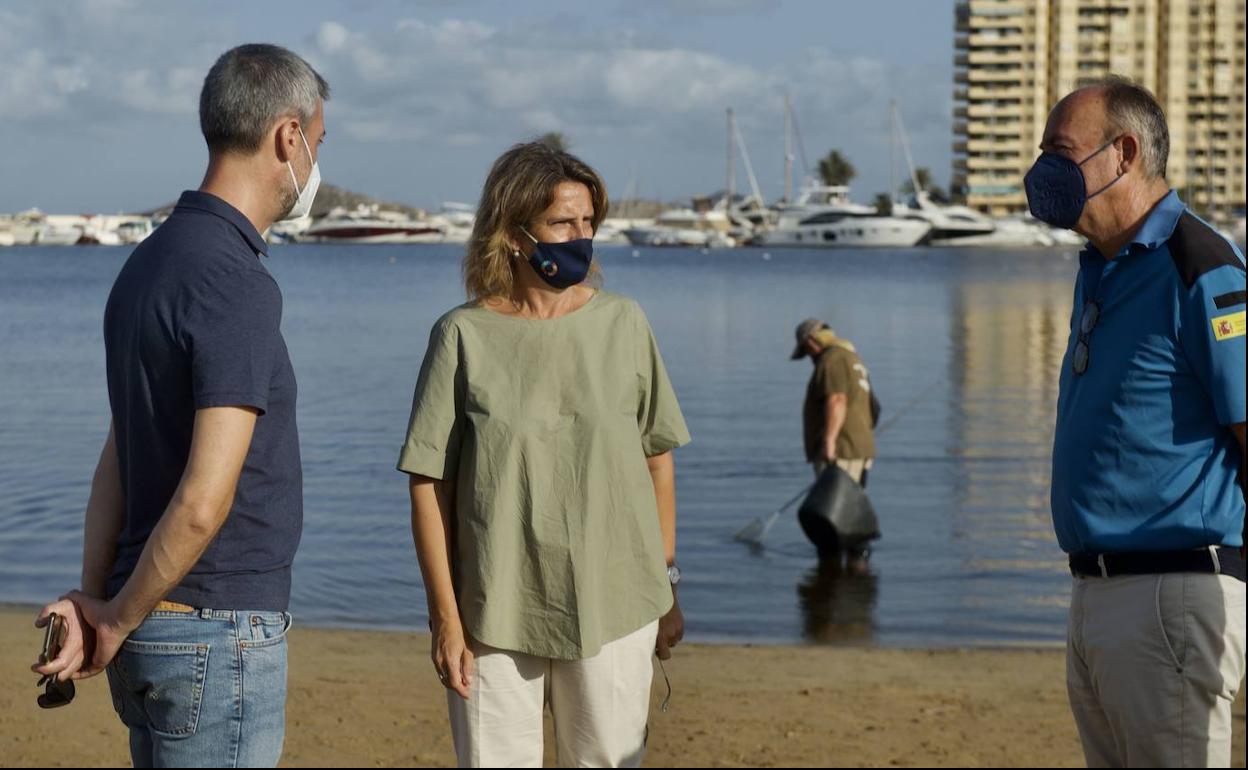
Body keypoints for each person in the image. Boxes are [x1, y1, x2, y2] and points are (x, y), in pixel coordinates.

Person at [30, 44, 328, 768]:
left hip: (155, 628)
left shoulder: (149, 262)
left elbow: (119, 456)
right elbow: (203, 500)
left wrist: (101, 600)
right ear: (288, 137)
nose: (315, 168)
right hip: (214, 630)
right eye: (318, 144)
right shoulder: (233, 278)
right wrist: (115, 617)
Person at [398, 141, 691, 768]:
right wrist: (444, 618)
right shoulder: (462, 336)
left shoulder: (625, 324)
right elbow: (430, 486)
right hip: (493, 610)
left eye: (588, 223)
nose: (579, 237)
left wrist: (668, 590)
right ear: (511, 233)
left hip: (617, 601)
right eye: (562, 222)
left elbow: (657, 460)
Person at [1028, 76, 1246, 767]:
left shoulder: (1200, 267)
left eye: (1060, 151)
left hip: (1171, 593)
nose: (1042, 171)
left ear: (1122, 154)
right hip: (1097, 590)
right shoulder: (1104, 266)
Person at [792, 318, 878, 570]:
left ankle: (841, 569)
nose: (808, 358)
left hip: (841, 449)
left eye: (806, 351)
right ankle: (851, 577)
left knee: (834, 516)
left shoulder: (832, 360)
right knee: (850, 512)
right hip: (858, 446)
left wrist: (828, 442)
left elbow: (837, 400)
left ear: (811, 342)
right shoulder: (853, 358)